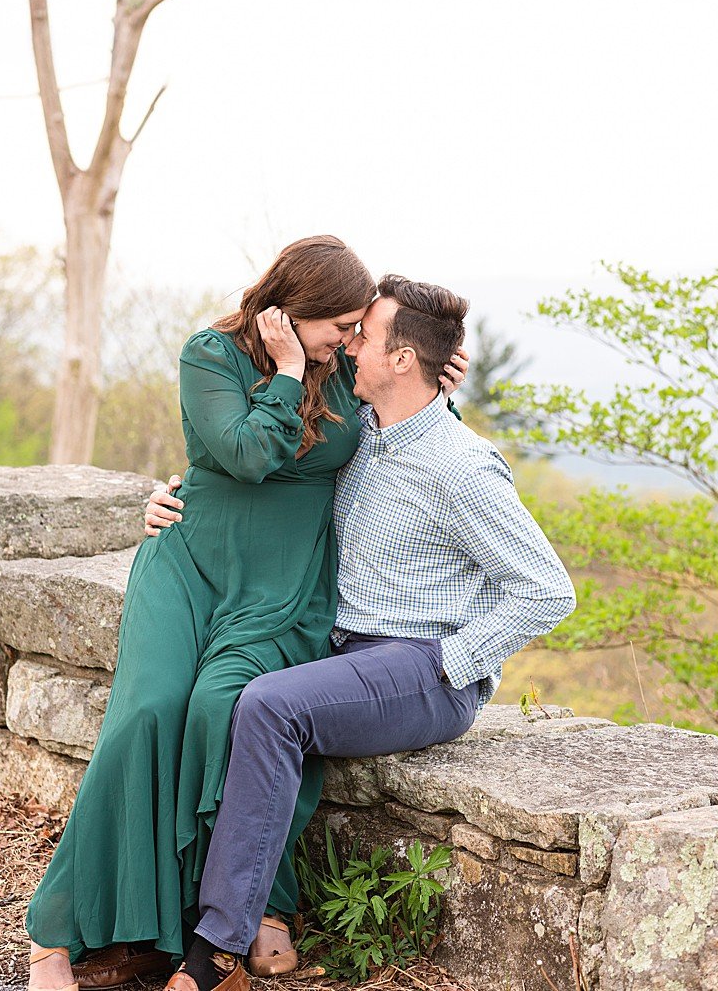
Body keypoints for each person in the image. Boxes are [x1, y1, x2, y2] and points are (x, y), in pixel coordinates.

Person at [24, 238, 469, 991]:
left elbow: (405, 438)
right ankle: (55, 936)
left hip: (285, 586)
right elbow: (246, 455)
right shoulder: (210, 354)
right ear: (291, 314)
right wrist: (288, 372)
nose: (351, 340)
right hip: (190, 565)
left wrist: (436, 384)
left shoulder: (346, 376)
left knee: (225, 709)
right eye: (340, 327)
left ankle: (242, 910)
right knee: (147, 714)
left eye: (361, 330)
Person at [141, 274, 576, 991]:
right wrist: (166, 496)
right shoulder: (362, 436)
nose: (348, 348)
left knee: (270, 706)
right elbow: (267, 474)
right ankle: (222, 913)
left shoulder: (462, 467)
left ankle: (215, 952)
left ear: (402, 361)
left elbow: (546, 589)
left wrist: (453, 661)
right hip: (344, 653)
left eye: (364, 338)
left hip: (419, 666)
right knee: (226, 694)